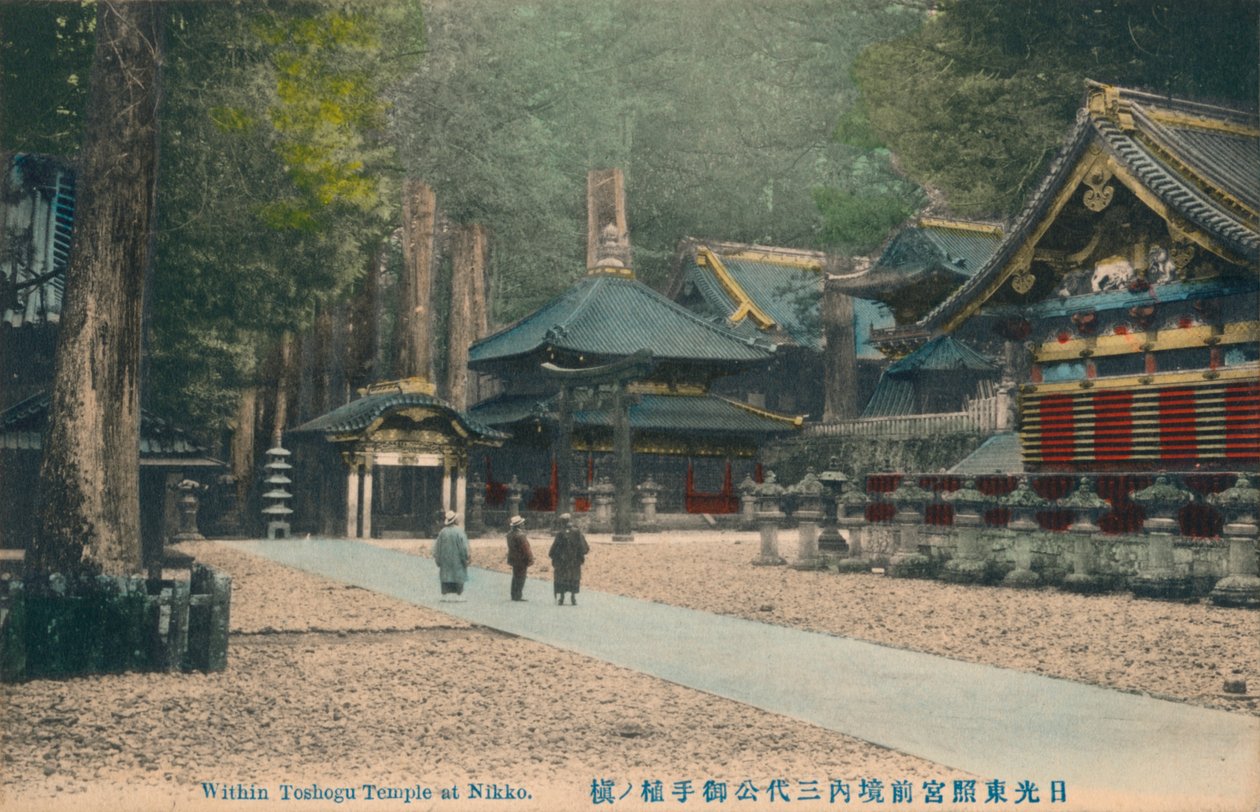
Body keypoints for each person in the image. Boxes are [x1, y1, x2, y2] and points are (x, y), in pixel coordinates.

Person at [548, 513, 589, 606]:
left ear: (562, 522)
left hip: (563, 562)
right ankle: (573, 598)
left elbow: (554, 548)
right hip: (574, 561)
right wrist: (579, 555)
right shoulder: (577, 532)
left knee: (562, 577)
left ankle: (562, 598)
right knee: (573, 577)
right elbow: (584, 547)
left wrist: (554, 556)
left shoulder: (560, 533)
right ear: (570, 520)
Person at [433, 510, 470, 601]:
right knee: (458, 574)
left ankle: (445, 594)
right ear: (455, 520)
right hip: (457, 559)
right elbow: (464, 547)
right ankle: (459, 594)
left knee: (446, 575)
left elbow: (436, 547)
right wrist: (466, 558)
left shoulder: (442, 532)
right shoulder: (459, 532)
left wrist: (438, 559)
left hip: (445, 559)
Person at [506, 515, 533, 601]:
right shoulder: (521, 535)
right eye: (522, 523)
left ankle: (514, 594)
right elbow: (526, 549)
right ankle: (518, 595)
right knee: (521, 577)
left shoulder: (509, 534)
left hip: (513, 558)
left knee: (515, 576)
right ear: (520, 525)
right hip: (521, 559)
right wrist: (530, 558)